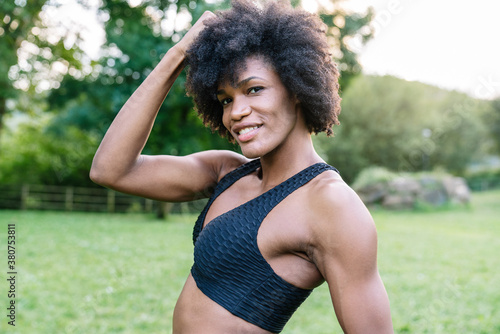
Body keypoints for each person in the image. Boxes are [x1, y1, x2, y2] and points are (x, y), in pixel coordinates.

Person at [90, 0, 393, 333]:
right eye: (226, 99)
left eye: (255, 90)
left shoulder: (332, 204)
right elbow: (110, 170)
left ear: (296, 89)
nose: (236, 112)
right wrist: (179, 55)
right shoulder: (226, 172)